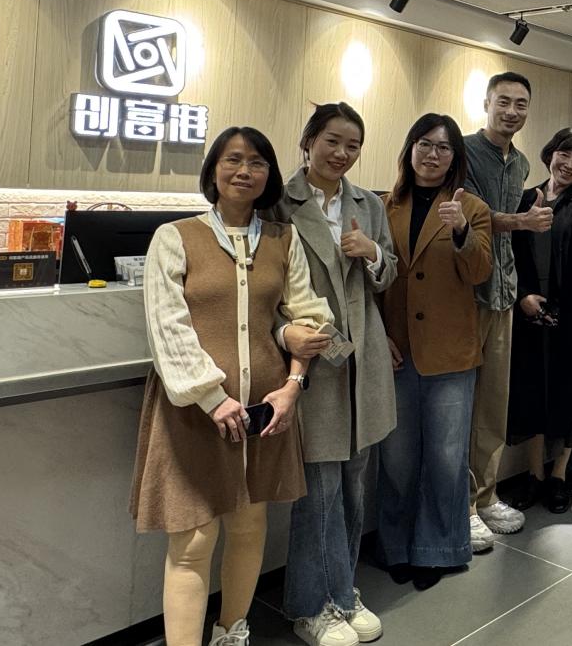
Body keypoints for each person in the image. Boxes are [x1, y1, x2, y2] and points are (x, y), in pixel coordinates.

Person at [130, 127, 335, 646]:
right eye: (233, 160)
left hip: (266, 408)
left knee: (249, 524)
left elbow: (311, 318)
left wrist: (293, 385)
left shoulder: (284, 239)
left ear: (270, 174)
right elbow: (167, 327)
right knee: (193, 539)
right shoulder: (174, 237)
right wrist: (212, 397)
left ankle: (231, 631)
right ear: (213, 170)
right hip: (194, 412)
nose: (245, 171)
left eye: (257, 162)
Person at [268, 103, 397, 646]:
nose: (342, 154)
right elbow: (264, 287)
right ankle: (310, 605)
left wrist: (372, 254)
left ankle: (344, 592)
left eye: (353, 145)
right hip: (314, 361)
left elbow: (388, 274)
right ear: (308, 142)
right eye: (332, 141)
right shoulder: (279, 202)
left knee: (353, 486)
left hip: (363, 360)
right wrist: (284, 333)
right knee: (318, 489)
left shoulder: (368, 203)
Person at [377, 114, 493, 589]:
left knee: (446, 459)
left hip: (450, 354)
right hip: (396, 349)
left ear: (454, 158)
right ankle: (396, 546)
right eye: (424, 144)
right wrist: (378, 335)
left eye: (443, 148)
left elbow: (480, 272)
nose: (432, 154)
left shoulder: (472, 208)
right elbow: (370, 279)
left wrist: (462, 231)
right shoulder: (384, 206)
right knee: (397, 459)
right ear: (409, 149)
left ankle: (439, 549)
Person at [463, 72, 548, 552]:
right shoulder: (462, 152)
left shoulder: (519, 163)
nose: (512, 111)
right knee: (459, 407)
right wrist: (522, 221)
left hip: (504, 295)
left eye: (521, 104)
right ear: (486, 103)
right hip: (465, 296)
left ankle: (485, 496)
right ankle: (460, 506)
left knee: (494, 404)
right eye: (504, 101)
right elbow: (465, 217)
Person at [505, 128, 572, 514]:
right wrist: (523, 295)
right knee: (533, 392)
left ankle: (559, 476)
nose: (570, 164)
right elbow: (511, 253)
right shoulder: (527, 199)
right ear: (551, 154)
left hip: (570, 315)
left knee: (568, 392)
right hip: (530, 311)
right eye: (565, 154)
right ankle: (534, 475)